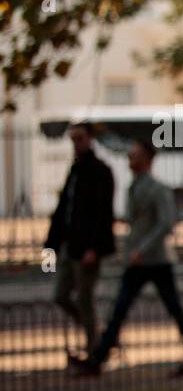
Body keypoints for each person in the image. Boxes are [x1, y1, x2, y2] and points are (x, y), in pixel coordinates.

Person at [73, 141, 183, 377]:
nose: (130, 158)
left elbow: (166, 222)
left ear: (147, 159)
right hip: (139, 260)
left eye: (135, 155)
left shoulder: (157, 188)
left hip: (156, 260)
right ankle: (98, 358)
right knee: (120, 309)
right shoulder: (135, 187)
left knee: (172, 309)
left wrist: (141, 248)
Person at [45, 122, 115, 359]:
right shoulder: (75, 170)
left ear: (90, 139)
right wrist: (51, 243)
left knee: (85, 299)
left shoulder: (100, 171)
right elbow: (64, 208)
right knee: (61, 295)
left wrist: (94, 248)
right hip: (69, 245)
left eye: (80, 138)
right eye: (73, 139)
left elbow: (102, 213)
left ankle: (95, 349)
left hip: (86, 248)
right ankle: (95, 333)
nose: (76, 143)